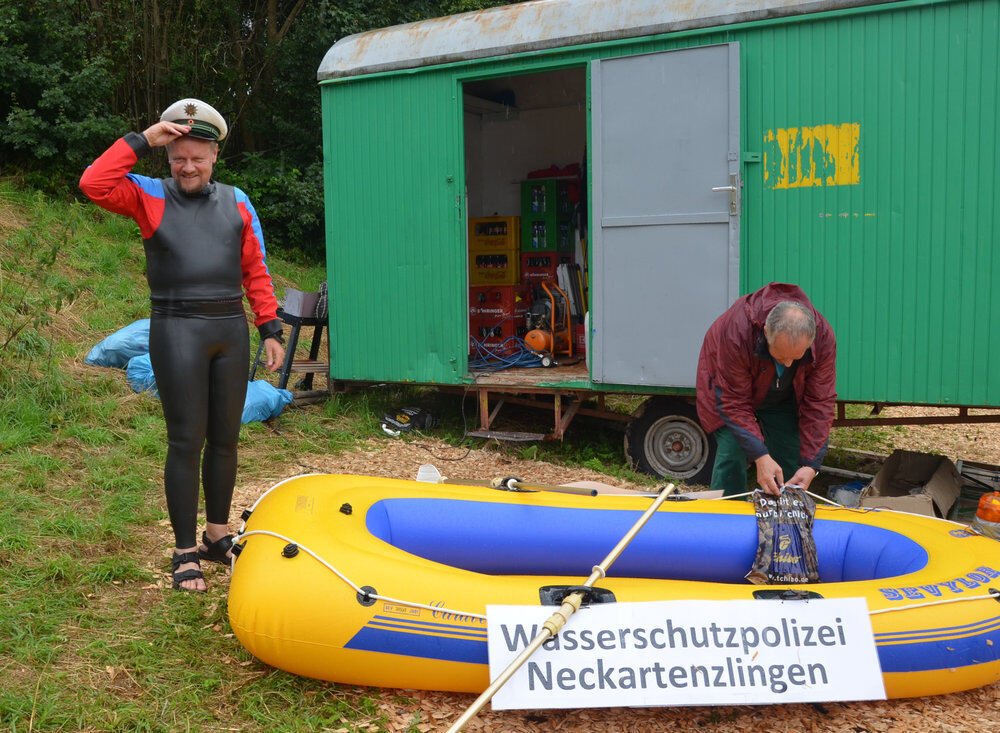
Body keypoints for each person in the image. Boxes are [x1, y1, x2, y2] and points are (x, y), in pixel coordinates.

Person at [80, 98, 285, 591]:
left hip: (229, 332)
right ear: (168, 158)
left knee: (226, 439)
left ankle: (216, 537)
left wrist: (270, 328)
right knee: (185, 440)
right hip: (177, 331)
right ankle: (184, 550)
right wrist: (143, 140)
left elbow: (254, 267)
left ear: (215, 156)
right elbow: (93, 184)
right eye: (178, 158)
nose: (188, 167)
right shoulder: (148, 195)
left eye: (197, 157)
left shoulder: (237, 200)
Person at [695, 282, 836, 498]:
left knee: (789, 450)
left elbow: (820, 402)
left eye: (796, 358)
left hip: (782, 394)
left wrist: (811, 465)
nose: (788, 364)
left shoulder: (823, 338)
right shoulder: (737, 330)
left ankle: (784, 514)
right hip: (729, 388)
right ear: (765, 332)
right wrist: (760, 456)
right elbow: (733, 401)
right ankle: (726, 515)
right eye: (781, 356)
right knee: (732, 450)